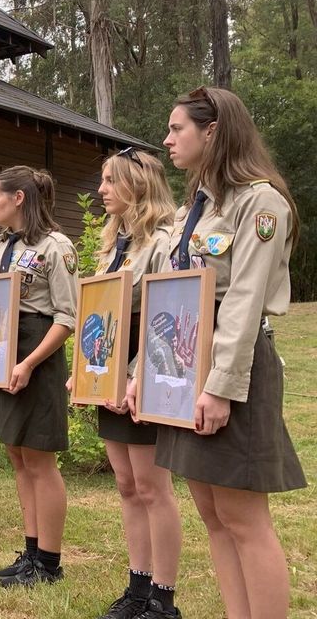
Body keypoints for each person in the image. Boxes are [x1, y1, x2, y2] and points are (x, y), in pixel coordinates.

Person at [130, 87, 305, 619]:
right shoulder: (196, 210)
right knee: (211, 512)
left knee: (244, 518)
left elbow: (245, 303)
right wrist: (144, 370)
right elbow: (173, 296)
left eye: (177, 128)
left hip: (234, 370)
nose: (166, 139)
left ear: (213, 131)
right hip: (184, 367)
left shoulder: (261, 203)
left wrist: (219, 387)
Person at [74, 149, 184, 619]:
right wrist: (88, 372)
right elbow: (102, 314)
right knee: (125, 483)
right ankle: (137, 588)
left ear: (138, 186)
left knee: (153, 486)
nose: (101, 190)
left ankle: (163, 597)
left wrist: (133, 375)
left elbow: (168, 316)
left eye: (109, 181)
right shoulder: (113, 243)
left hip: (144, 375)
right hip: (109, 378)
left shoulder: (164, 241)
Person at [0, 165, 77, 587]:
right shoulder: (1, 245)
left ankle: (50, 563)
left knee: (39, 458)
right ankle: (31, 552)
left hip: (36, 353)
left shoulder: (56, 246)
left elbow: (67, 317)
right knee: (16, 454)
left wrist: (29, 362)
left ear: (19, 198)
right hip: (2, 348)